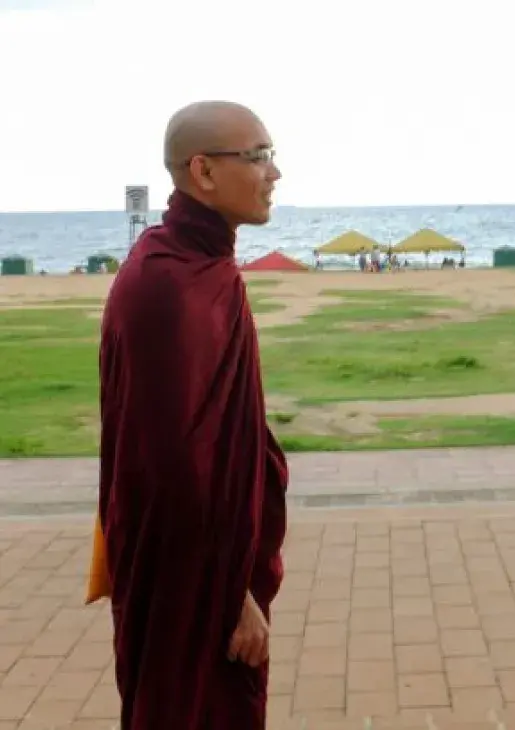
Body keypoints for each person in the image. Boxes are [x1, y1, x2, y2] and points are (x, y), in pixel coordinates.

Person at [98, 100, 289, 729]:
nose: (274, 172)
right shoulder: (167, 286)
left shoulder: (197, 265)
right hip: (191, 581)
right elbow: (168, 470)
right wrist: (228, 596)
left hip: (211, 564)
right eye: (258, 156)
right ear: (202, 172)